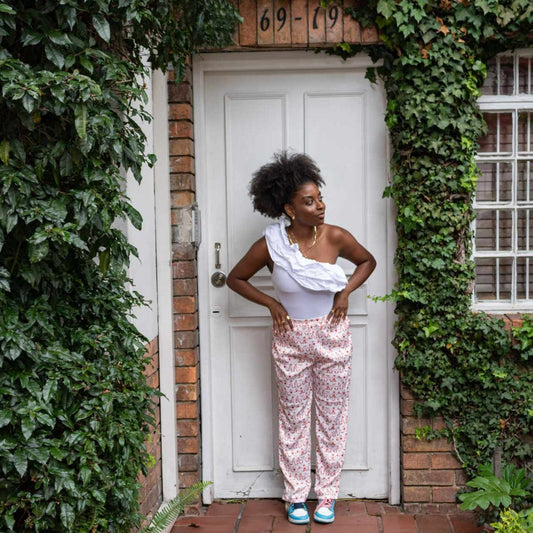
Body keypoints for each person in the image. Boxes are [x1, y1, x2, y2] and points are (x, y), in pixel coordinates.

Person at [226, 151, 376, 525]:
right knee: (293, 421)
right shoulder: (272, 246)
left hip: (332, 337)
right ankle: (295, 497)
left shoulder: (336, 237)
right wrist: (271, 304)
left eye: (319, 198)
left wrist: (345, 293)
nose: (319, 206)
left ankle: (326, 496)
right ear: (290, 210)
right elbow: (235, 278)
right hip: (290, 340)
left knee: (332, 419)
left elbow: (367, 261)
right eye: (309, 202)